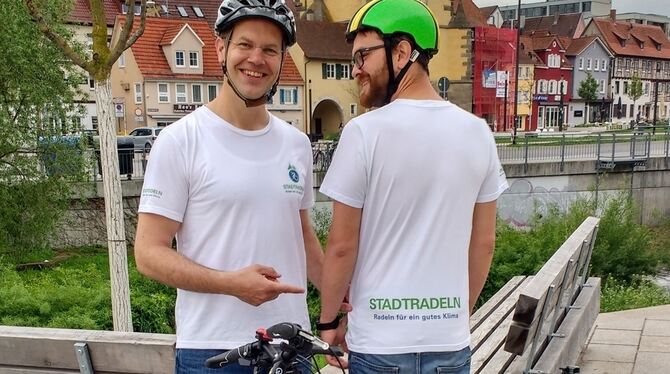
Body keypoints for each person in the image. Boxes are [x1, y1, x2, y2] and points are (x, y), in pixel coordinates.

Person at [317, 0, 509, 373]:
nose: (356, 70)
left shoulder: (363, 133)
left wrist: (327, 324)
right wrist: (453, 317)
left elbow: (341, 246)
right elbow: (484, 243)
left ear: (402, 51)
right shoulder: (477, 133)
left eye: (363, 56)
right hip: (450, 346)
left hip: (379, 345)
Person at [133, 1, 324, 373]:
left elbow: (303, 236)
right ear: (221, 48)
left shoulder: (296, 143)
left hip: (291, 346)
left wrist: (338, 304)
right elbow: (148, 253)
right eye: (245, 45)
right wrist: (230, 284)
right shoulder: (180, 141)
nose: (257, 59)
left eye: (270, 50)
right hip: (213, 350)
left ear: (283, 59)